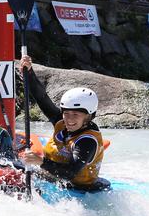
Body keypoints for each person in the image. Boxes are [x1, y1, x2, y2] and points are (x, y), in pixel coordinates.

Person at [19, 55, 106, 190]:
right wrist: (29, 72)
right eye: (66, 113)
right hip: (54, 180)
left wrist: (41, 161)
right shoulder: (61, 122)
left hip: (79, 192)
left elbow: (70, 173)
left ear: (88, 116)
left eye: (75, 114)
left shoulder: (87, 141)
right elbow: (42, 98)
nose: (69, 119)